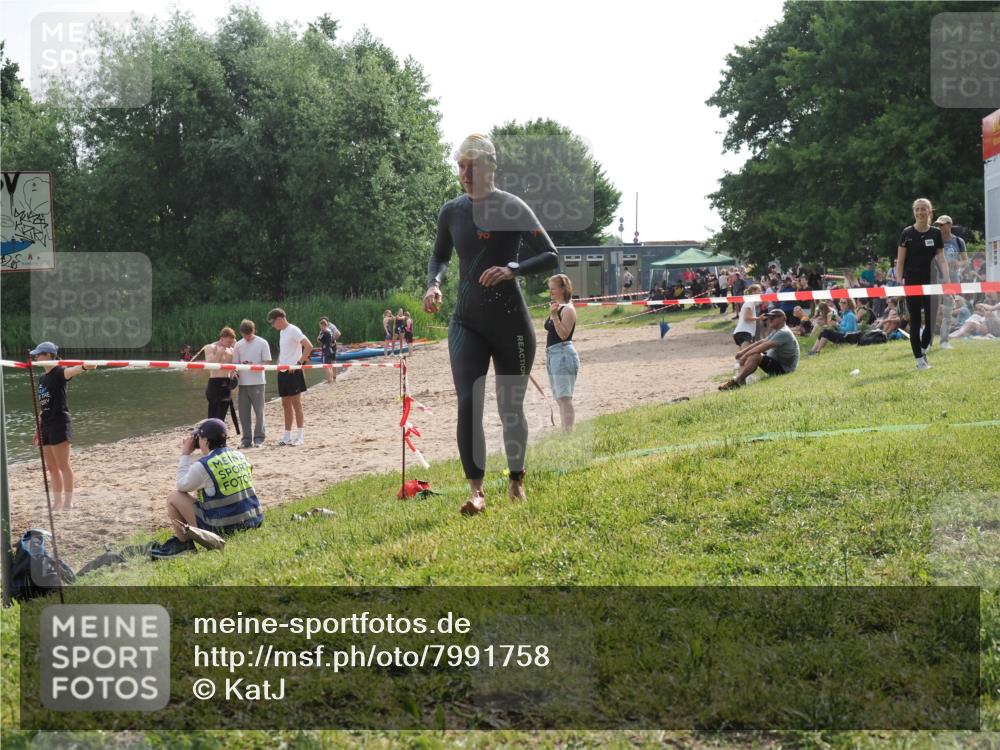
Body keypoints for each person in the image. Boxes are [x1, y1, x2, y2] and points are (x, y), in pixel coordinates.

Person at [422, 133, 559, 515]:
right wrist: (433, 285)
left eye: (472, 165)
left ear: (489, 167)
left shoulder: (512, 207)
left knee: (509, 408)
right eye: (460, 166)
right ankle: (476, 491)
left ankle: (516, 480)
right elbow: (439, 258)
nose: (464, 173)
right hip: (466, 321)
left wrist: (512, 269)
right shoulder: (451, 211)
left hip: (511, 323)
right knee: (468, 402)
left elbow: (550, 255)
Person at [154, 418, 264, 558]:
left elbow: (181, 485)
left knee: (174, 497)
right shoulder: (240, 455)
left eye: (199, 438)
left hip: (224, 528)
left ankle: (184, 546)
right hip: (253, 520)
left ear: (205, 441)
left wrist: (185, 454)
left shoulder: (204, 465)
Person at [29, 341, 94, 510]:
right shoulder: (42, 378)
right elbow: (43, 407)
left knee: (63, 465)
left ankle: (68, 502)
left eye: (40, 354)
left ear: (50, 355)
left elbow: (72, 371)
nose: (36, 357)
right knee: (51, 467)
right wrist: (38, 427)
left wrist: (85, 366)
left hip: (59, 423)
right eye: (36, 354)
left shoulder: (59, 373)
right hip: (46, 426)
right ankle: (57, 502)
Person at [896, 198, 949, 370]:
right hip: (912, 282)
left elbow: (941, 258)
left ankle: (923, 350)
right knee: (916, 321)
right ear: (914, 212)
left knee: (932, 321)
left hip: (932, 282)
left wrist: (947, 279)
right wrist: (899, 281)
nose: (920, 212)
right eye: (917, 209)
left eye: (923, 209)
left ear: (929, 211)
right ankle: (919, 360)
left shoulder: (935, 233)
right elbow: (900, 261)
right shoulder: (907, 233)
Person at [719, 309, 799, 390]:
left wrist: (745, 355)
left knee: (756, 355)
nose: (770, 319)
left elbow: (764, 346)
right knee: (755, 354)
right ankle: (740, 379)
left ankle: (737, 381)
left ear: (783, 318)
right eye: (769, 317)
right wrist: (742, 352)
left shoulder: (783, 332)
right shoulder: (778, 330)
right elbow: (761, 342)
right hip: (779, 364)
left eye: (773, 317)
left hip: (784, 369)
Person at [266, 308, 312, 446]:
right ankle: (287, 436)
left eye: (273, 323)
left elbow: (308, 346)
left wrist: (298, 363)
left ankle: (300, 436)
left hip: (293, 371)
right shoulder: (282, 332)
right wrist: (279, 363)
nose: (273, 326)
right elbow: (284, 350)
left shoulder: (293, 329)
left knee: (296, 403)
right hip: (283, 371)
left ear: (279, 319)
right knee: (285, 404)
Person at [545, 274, 580, 432]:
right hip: (553, 355)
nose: (550, 291)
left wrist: (554, 316)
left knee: (565, 398)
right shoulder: (556, 306)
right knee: (560, 398)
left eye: (553, 288)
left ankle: (568, 432)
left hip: (563, 354)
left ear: (563, 289)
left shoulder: (568, 309)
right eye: (549, 288)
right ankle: (565, 430)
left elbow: (564, 335)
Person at [233, 319, 271, 449]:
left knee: (259, 412)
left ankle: (259, 438)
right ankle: (246, 439)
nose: (247, 338)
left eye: (249, 335)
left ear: (254, 330)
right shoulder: (238, 345)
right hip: (242, 383)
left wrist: (255, 366)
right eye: (244, 335)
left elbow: (267, 361)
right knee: (243, 413)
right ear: (241, 333)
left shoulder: (262, 342)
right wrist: (238, 369)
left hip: (258, 382)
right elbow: (234, 364)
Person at [933, 215, 968, 350]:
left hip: (952, 280)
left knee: (948, 310)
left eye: (942, 224)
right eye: (938, 225)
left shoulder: (959, 241)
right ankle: (928, 341)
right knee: (933, 310)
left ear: (949, 225)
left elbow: (965, 260)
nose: (939, 227)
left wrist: (957, 263)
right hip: (936, 279)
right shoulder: (935, 240)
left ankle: (944, 341)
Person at [203, 327, 237, 421]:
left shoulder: (231, 350)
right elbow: (209, 365)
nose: (230, 344)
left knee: (223, 410)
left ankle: (220, 432)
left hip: (226, 382)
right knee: (213, 411)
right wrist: (219, 354)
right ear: (222, 338)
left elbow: (235, 365)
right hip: (214, 381)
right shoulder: (210, 347)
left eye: (231, 342)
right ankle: (211, 433)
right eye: (228, 342)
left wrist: (234, 373)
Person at [732, 283, 762, 350]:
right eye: (759, 291)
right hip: (744, 332)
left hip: (741, 332)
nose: (761, 293)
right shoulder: (750, 302)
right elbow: (746, 318)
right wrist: (759, 318)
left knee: (741, 356)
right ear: (753, 292)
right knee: (747, 355)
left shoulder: (750, 302)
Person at [318, 317, 341, 384]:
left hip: (331, 347)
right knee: (331, 363)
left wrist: (332, 340)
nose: (321, 327)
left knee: (330, 363)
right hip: (331, 347)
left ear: (327, 322)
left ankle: (332, 379)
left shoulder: (331, 326)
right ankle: (332, 379)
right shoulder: (326, 328)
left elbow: (338, 333)